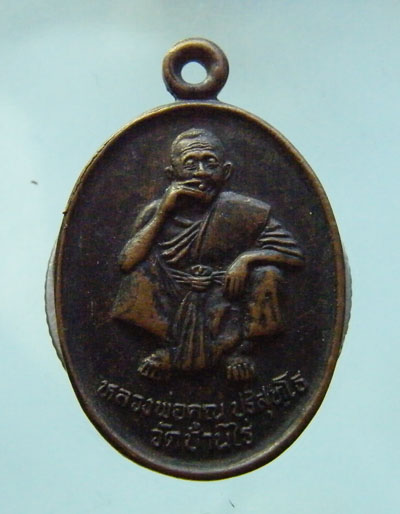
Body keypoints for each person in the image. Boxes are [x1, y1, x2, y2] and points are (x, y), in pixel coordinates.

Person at [112, 128, 304, 380]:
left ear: (226, 172)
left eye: (210, 163)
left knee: (268, 274)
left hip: (224, 295)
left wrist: (246, 259)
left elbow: (294, 255)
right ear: (172, 175)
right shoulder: (155, 213)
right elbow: (126, 263)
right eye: (190, 165)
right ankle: (168, 349)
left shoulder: (244, 211)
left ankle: (239, 352)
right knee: (139, 271)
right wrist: (163, 212)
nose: (201, 172)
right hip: (173, 296)